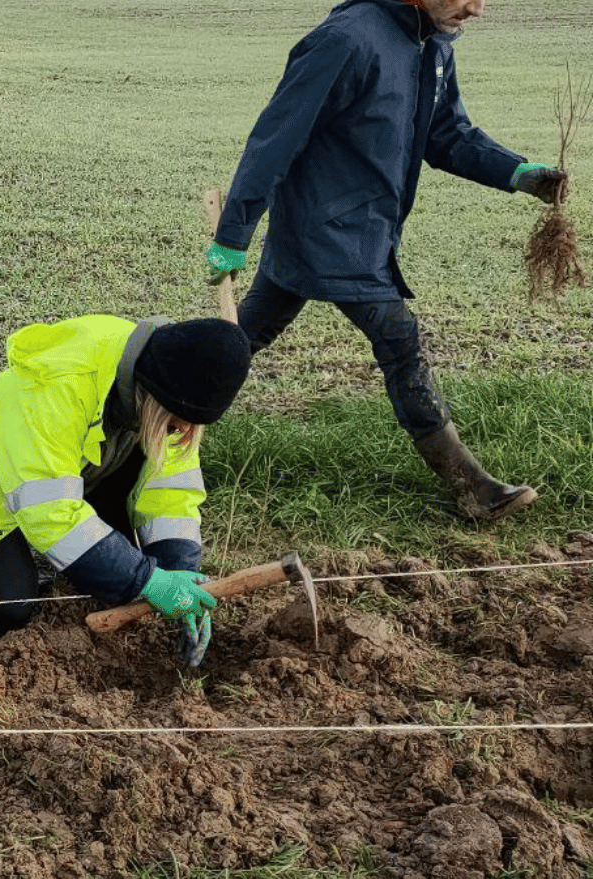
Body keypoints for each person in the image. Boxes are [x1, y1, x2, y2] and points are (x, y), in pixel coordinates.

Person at [205, 0, 567, 522]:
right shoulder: (346, 39)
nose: (478, 9)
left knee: (238, 339)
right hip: (329, 233)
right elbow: (277, 136)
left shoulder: (432, 41)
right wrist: (234, 231)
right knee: (401, 343)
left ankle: (139, 415)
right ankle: (473, 488)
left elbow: (447, 134)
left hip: (368, 232)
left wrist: (519, 174)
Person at [0, 315, 253, 667]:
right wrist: (146, 580)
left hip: (37, 478)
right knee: (12, 606)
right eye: (176, 423)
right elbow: (50, 512)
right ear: (157, 400)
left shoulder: (167, 382)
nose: (183, 433)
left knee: (109, 577)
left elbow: (171, 494)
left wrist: (180, 577)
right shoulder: (58, 383)